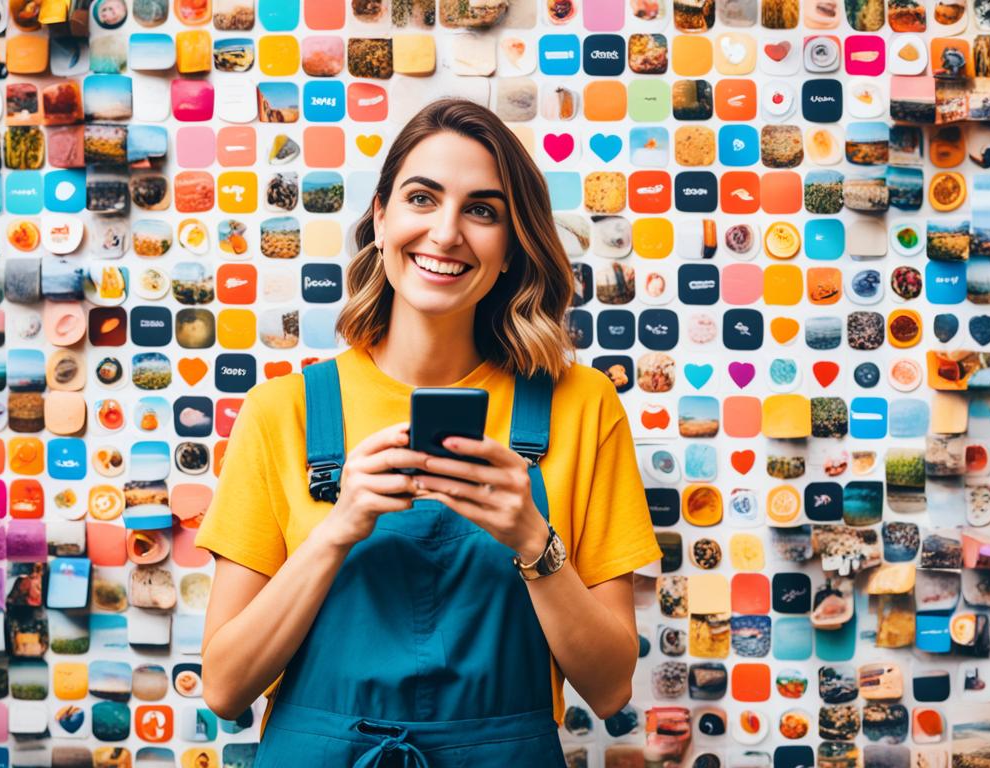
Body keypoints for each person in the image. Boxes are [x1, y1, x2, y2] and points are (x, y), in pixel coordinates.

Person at [196, 97, 663, 766]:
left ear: (510, 247)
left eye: (482, 210)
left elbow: (610, 685)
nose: (446, 234)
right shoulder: (282, 412)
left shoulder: (581, 405)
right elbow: (224, 686)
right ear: (381, 218)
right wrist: (337, 529)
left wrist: (533, 539)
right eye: (422, 199)